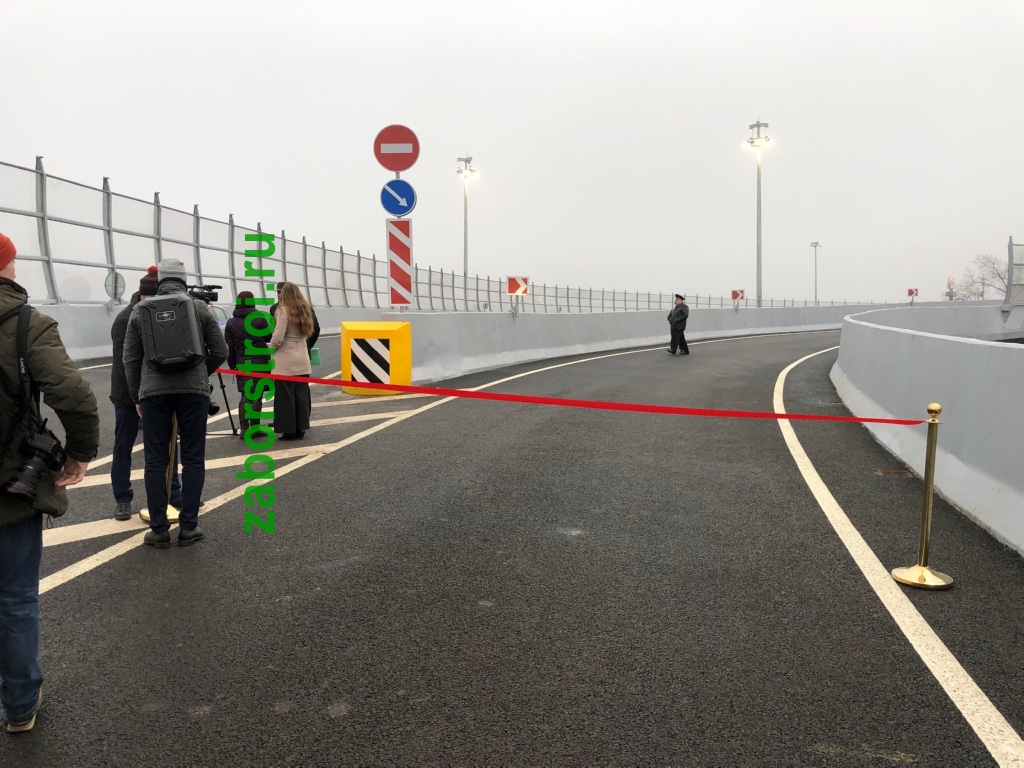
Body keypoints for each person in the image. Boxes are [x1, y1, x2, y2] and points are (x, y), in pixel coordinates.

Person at [0, 231, 99, 733]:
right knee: (15, 598)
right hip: (11, 485)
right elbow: (72, 394)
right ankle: (20, 706)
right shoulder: (26, 324)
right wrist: (79, 453)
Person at [123, 258, 227, 548]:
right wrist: (200, 374)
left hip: (153, 393)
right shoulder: (199, 307)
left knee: (156, 459)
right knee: (193, 458)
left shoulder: (140, 311)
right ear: (183, 279)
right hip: (193, 392)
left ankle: (158, 530)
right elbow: (221, 350)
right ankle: (189, 527)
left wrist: (137, 395)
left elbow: (130, 358)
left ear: (160, 281)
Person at [109, 266, 182, 519]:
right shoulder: (125, 320)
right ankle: (122, 498)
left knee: (168, 443)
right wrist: (136, 397)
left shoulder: (158, 314)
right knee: (123, 446)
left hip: (154, 391)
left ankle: (174, 491)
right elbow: (125, 365)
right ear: (143, 295)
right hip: (127, 394)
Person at [269, 282, 314, 440]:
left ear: (285, 294)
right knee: (300, 396)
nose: (279, 295)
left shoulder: (283, 310)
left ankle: (289, 430)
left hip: (285, 360)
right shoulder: (304, 310)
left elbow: (278, 336)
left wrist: (270, 348)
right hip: (302, 357)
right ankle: (301, 428)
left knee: (285, 397)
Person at [224, 290, 270, 439]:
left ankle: (244, 429)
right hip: (260, 361)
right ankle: (255, 428)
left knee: (245, 395)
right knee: (257, 395)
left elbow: (230, 347)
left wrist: (232, 365)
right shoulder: (259, 318)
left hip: (242, 362)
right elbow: (269, 336)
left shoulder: (231, 323)